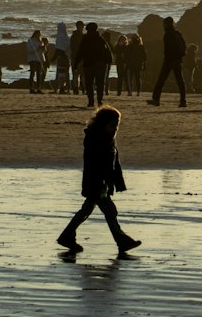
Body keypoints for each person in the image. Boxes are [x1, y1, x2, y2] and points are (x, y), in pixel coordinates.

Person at [57, 105, 141, 254]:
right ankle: (122, 241)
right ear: (103, 124)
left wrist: (118, 183)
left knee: (87, 210)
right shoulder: (95, 138)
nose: (115, 129)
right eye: (113, 125)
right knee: (109, 211)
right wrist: (103, 182)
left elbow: (115, 164)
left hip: (101, 184)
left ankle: (67, 235)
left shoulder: (108, 139)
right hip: (96, 183)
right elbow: (96, 164)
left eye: (117, 125)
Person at [147, 17, 187, 107]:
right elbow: (183, 46)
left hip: (169, 60)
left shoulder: (167, 34)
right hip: (177, 60)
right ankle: (183, 101)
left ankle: (156, 99)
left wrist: (167, 60)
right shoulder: (177, 33)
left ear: (165, 24)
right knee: (180, 81)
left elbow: (168, 49)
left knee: (161, 80)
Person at [75, 22, 112, 109]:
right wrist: (109, 61)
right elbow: (108, 51)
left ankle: (91, 101)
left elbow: (80, 52)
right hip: (101, 64)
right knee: (100, 83)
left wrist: (76, 63)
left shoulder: (86, 39)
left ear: (87, 30)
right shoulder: (100, 39)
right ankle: (99, 101)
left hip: (88, 64)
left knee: (89, 83)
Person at [53, 22, 72, 95]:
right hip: (67, 58)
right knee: (66, 73)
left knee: (60, 74)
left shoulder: (59, 38)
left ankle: (60, 88)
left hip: (61, 58)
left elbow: (59, 50)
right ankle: (66, 89)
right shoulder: (67, 38)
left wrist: (53, 58)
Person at [26, 29, 45, 94]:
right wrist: (37, 49)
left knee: (39, 75)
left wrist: (43, 48)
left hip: (39, 59)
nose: (39, 35)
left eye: (40, 34)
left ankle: (38, 89)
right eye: (38, 34)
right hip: (32, 59)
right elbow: (29, 50)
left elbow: (43, 52)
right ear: (35, 34)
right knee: (32, 73)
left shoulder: (40, 41)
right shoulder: (30, 41)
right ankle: (31, 88)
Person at [70, 21, 85, 95]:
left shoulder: (75, 35)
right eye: (81, 26)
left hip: (78, 57)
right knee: (79, 74)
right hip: (77, 58)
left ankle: (80, 89)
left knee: (79, 74)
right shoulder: (77, 36)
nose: (82, 28)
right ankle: (78, 89)